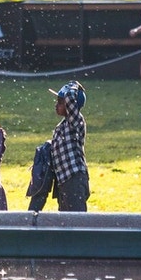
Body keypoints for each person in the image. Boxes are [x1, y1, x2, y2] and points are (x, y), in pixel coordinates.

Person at [46, 80, 90, 212]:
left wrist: (73, 85)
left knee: (77, 220)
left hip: (74, 178)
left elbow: (70, 97)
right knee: (64, 220)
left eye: (60, 102)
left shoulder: (76, 122)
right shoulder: (61, 126)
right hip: (63, 181)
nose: (56, 105)